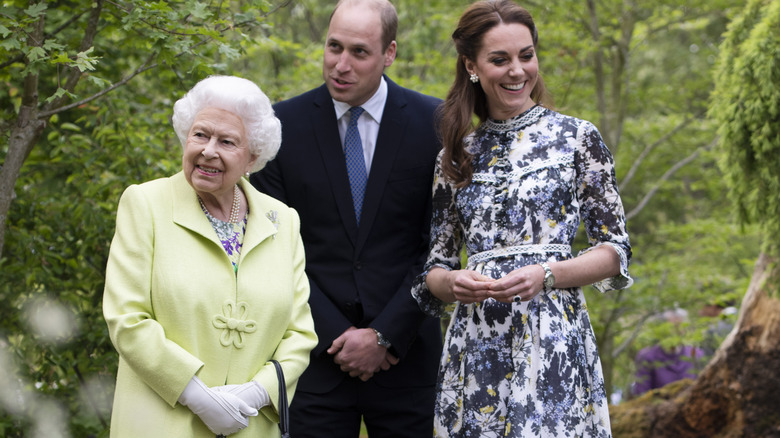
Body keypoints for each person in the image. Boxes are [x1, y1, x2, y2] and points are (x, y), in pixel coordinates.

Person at [411, 1, 633, 436]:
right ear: (471, 66)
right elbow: (434, 268)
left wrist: (548, 273)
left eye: (526, 56)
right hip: (477, 345)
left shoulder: (577, 138)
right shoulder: (455, 157)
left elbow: (615, 251)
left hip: (553, 336)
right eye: (500, 59)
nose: (517, 71)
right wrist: (452, 284)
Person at [249, 0, 443, 436]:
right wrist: (341, 337)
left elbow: (440, 247)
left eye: (359, 52)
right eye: (333, 47)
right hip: (312, 357)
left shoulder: (436, 124)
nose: (340, 64)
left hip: (407, 357)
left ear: (389, 53)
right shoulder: (280, 126)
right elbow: (273, 247)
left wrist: (384, 336)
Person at [103, 75, 317, 437]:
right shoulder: (145, 204)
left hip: (248, 423)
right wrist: (196, 395)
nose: (208, 150)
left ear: (252, 156)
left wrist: (255, 393)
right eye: (200, 134)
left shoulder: (283, 220)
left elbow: (300, 334)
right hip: (162, 422)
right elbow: (127, 319)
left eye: (227, 141)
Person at [633, 309, 704, 396]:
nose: (676, 332)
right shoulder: (647, 356)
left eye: (679, 327)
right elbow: (641, 394)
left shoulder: (696, 354)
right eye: (672, 327)